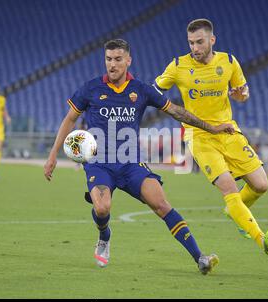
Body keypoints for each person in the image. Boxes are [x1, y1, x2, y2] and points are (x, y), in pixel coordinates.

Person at [44, 39, 236, 274]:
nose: (112, 64)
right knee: (102, 209)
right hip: (99, 164)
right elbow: (69, 119)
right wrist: (53, 155)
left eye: (117, 59)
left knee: (161, 204)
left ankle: (200, 258)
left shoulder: (142, 90)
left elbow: (176, 111)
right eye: (108, 59)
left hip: (132, 162)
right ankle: (104, 236)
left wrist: (212, 127)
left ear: (128, 60)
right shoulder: (91, 88)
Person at [154, 18, 268, 256]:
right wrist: (169, 108)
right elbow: (155, 89)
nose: (195, 48)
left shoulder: (229, 61)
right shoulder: (178, 66)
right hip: (199, 136)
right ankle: (262, 239)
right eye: (191, 43)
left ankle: (235, 211)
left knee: (261, 185)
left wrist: (241, 95)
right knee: (229, 189)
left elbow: (243, 93)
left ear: (212, 40)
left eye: (199, 42)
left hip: (228, 131)